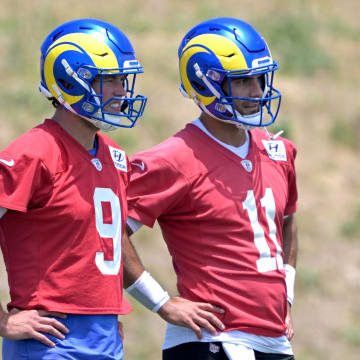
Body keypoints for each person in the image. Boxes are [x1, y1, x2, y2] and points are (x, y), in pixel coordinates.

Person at [125, 17, 298, 360]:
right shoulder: (174, 158)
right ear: (207, 84)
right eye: (243, 81)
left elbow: (287, 223)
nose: (258, 92)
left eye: (260, 78)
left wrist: (285, 297)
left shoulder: (279, 151)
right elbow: (106, 229)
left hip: (274, 340)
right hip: (213, 341)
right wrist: (159, 302)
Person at [0, 18, 149, 359]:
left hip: (106, 340)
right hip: (50, 342)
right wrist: (2, 322)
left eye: (123, 80)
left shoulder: (114, 154)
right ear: (71, 80)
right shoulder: (34, 153)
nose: (122, 92)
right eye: (109, 79)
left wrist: (104, 315)